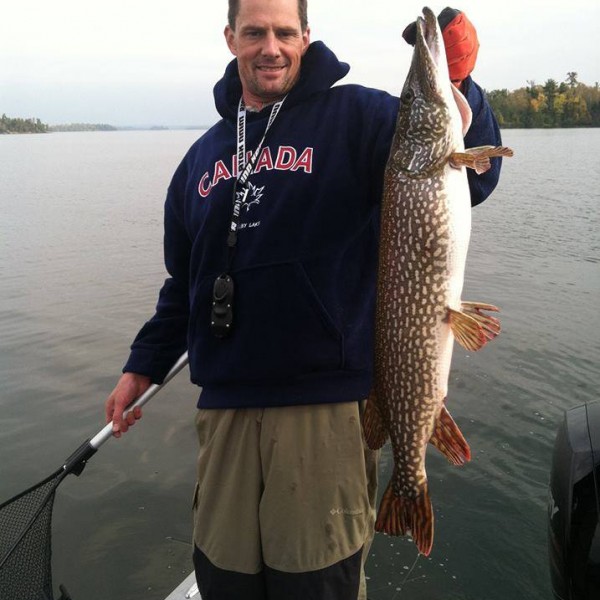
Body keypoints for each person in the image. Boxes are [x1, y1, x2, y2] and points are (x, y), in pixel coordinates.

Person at [105, 1, 504, 599]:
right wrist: (142, 365)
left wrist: (458, 79)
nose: (271, 46)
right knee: (226, 582)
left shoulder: (358, 117)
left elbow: (464, 174)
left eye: (285, 32)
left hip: (324, 409)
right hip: (226, 413)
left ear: (306, 36)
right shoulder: (200, 160)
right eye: (255, 32)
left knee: (316, 586)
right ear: (231, 38)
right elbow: (182, 284)